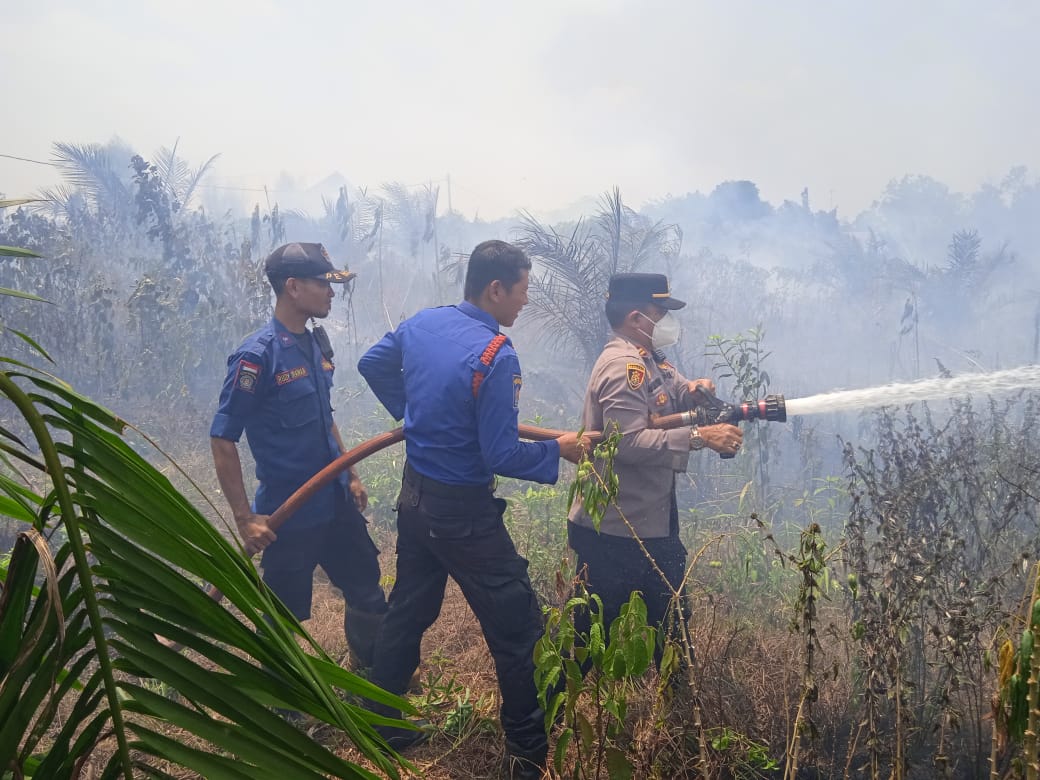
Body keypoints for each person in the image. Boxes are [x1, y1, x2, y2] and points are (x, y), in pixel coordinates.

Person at [358, 240, 589, 779]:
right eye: (524, 290)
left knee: (407, 613)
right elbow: (501, 453)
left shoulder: (422, 325)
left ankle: (379, 726)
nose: (525, 302)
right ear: (495, 289)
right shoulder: (495, 355)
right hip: (465, 517)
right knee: (518, 634)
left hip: (415, 503)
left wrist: (415, 413)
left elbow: (372, 363)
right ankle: (526, 761)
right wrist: (562, 450)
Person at [210, 242, 387, 671]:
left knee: (367, 590)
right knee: (281, 617)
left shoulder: (314, 345)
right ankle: (285, 708)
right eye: (323, 283)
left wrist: (353, 475)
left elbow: (324, 419)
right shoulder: (258, 357)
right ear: (293, 287)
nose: (331, 293)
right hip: (289, 515)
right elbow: (222, 437)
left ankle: (374, 679)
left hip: (336, 505)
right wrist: (243, 518)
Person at [567, 272, 743, 662]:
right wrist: (701, 437)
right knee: (590, 633)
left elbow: (671, 389)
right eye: (660, 312)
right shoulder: (623, 366)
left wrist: (695, 389)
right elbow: (627, 442)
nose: (667, 321)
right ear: (635, 318)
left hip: (649, 519)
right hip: (617, 528)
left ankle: (677, 708)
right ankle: (558, 711)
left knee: (671, 620)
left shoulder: (649, 358)